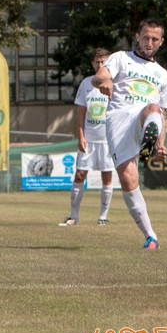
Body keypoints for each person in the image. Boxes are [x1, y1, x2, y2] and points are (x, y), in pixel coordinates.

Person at [92, 19, 167, 249]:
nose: (149, 42)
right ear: (137, 37)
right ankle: (150, 236)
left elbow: (163, 112)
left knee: (153, 107)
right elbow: (98, 76)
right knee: (127, 179)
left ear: (161, 42)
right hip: (118, 119)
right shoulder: (121, 58)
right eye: (145, 37)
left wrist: (161, 144)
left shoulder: (163, 75)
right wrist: (106, 81)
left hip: (146, 116)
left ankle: (148, 145)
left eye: (154, 39)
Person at [59, 48, 115, 227]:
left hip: (107, 140)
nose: (100, 65)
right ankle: (74, 217)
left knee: (107, 176)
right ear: (92, 64)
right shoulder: (86, 84)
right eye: (97, 62)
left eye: (103, 62)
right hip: (89, 139)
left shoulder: (115, 83)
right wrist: (81, 136)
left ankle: (103, 218)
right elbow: (81, 112)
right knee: (79, 174)